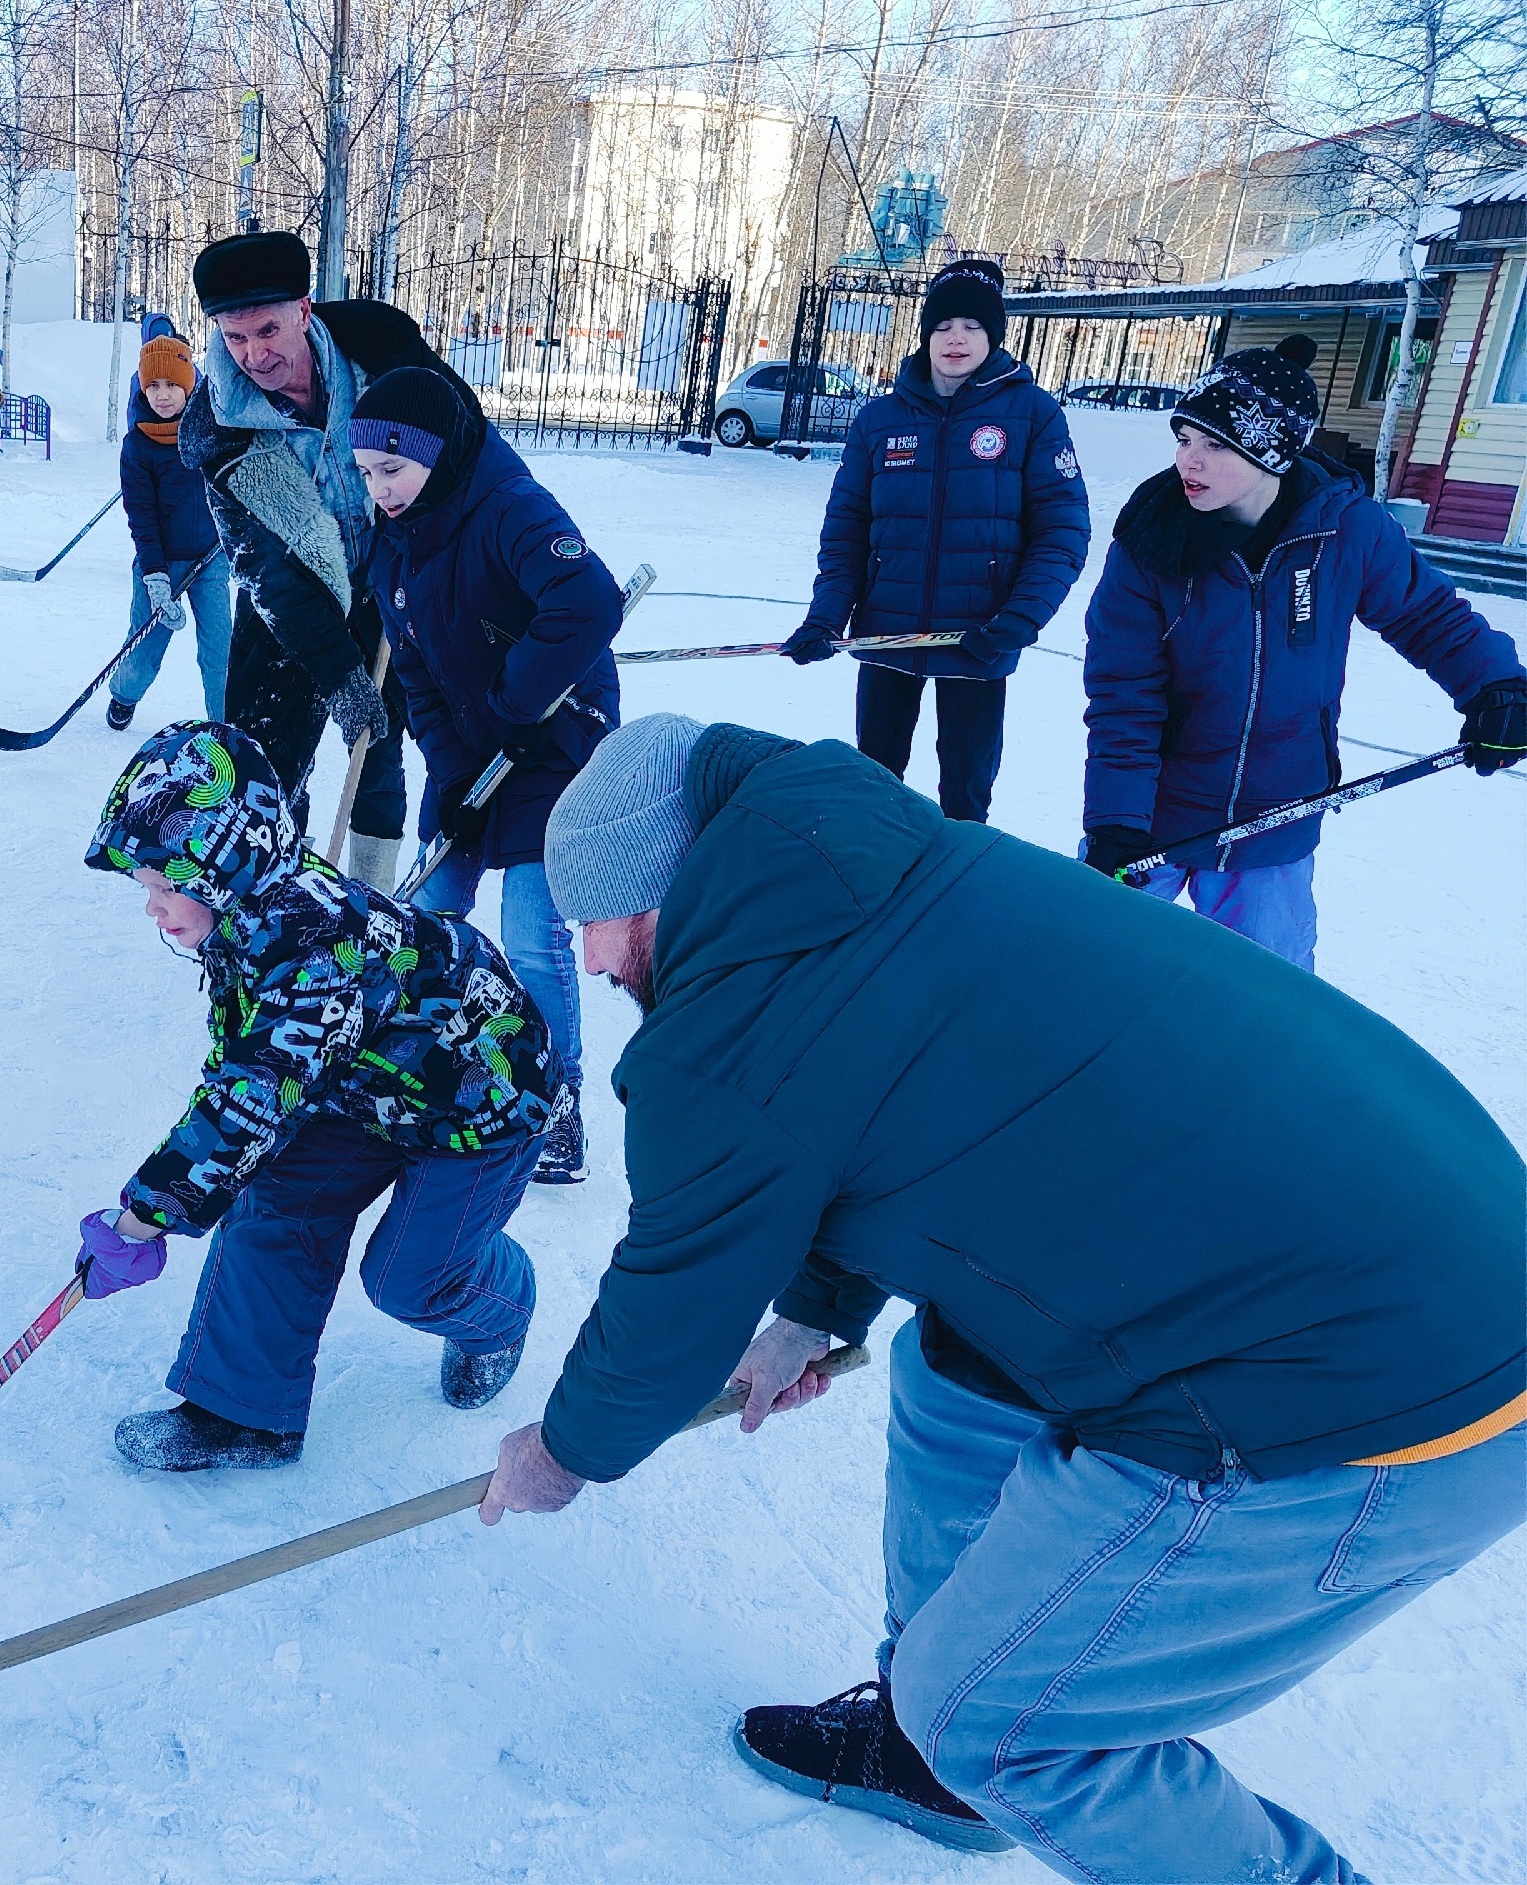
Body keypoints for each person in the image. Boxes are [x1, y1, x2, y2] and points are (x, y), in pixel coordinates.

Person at [471, 711, 1524, 1880]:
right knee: (955, 1369)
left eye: (597, 926)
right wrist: (817, 1308)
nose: (599, 963)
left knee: (992, 1724)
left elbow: (666, 1311)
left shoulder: (723, 1034)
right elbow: (873, 1116)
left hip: (1388, 1406)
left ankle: (970, 1737)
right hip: (1460, 1258)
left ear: (660, 896)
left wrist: (559, 1454)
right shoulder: (901, 875)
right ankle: (934, 1756)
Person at [76, 721, 558, 1470]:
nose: (154, 907)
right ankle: (243, 1413)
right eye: (148, 888)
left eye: (167, 888)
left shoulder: (312, 950)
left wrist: (144, 1217)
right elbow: (251, 1071)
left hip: (480, 1102)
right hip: (361, 1089)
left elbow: (243, 1105)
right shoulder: (248, 918)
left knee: (407, 1278)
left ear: (223, 869)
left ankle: (501, 1310)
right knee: (274, 1204)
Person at [1082, 333, 1527, 966]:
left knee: (1269, 1006)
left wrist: (1496, 686)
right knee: (1094, 976)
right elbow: (1123, 693)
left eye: (1215, 445)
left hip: (1277, 815)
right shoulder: (1150, 543)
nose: (1189, 462)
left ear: (1273, 453)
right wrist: (1115, 822)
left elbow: (1427, 615)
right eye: (1184, 440)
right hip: (1151, 817)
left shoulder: (1345, 529)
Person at [354, 366, 620, 1188]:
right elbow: (419, 678)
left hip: (555, 740)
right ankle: (436, 1058)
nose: (381, 490)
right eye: (367, 474)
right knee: (429, 907)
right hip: (474, 746)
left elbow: (589, 599)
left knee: (533, 929)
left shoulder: (510, 506)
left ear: (436, 456)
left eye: (393, 470)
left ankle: (556, 1100)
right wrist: (455, 766)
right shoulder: (393, 541)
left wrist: (516, 702)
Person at [181, 229, 480, 890]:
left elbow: (463, 432)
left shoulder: (379, 355)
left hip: (387, 584)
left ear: (304, 310)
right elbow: (266, 569)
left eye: (268, 330)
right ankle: (271, 899)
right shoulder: (219, 429)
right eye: (235, 339)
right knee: (262, 760)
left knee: (376, 750)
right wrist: (339, 674)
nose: (255, 355)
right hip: (290, 605)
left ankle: (368, 901)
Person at [783, 257, 1090, 823]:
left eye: (973, 326)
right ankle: (873, 887)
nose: (956, 339)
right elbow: (847, 528)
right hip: (886, 637)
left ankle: (959, 894)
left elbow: (1063, 530)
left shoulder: (1033, 415)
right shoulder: (879, 419)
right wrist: (826, 617)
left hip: (979, 638)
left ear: (993, 335)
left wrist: (1018, 619)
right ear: (926, 334)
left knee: (966, 796)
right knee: (873, 784)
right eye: (943, 326)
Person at [106, 333, 231, 730]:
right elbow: (140, 517)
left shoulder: (210, 430)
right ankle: (124, 694)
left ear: (189, 383)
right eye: (154, 385)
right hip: (159, 564)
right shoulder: (138, 446)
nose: (163, 395)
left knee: (220, 650)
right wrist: (155, 574)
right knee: (146, 651)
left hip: (211, 558)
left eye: (173, 384)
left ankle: (227, 726)